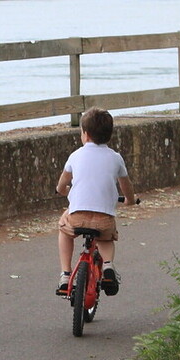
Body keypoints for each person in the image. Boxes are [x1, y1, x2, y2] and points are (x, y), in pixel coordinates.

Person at [55, 107, 136, 297]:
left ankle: (66, 275)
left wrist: (62, 191)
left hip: (77, 217)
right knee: (105, 237)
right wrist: (130, 201)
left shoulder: (75, 155)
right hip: (103, 219)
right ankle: (108, 266)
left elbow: (61, 185)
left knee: (63, 229)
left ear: (86, 134)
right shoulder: (116, 158)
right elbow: (127, 187)